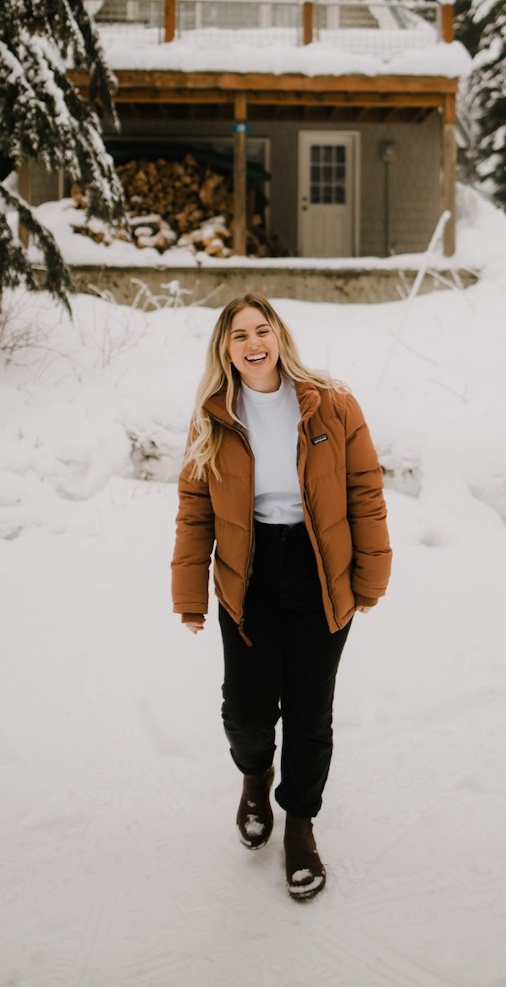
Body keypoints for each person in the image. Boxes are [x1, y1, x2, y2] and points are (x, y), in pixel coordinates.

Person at [171, 293, 391, 901]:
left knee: (308, 709)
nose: (251, 343)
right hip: (249, 574)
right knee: (245, 710)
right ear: (225, 350)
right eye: (237, 335)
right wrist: (190, 594)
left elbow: (364, 492)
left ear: (279, 336)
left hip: (322, 571)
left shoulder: (332, 405)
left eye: (260, 330)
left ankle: (299, 823)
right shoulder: (214, 416)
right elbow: (194, 512)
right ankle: (253, 775)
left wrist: (370, 578)